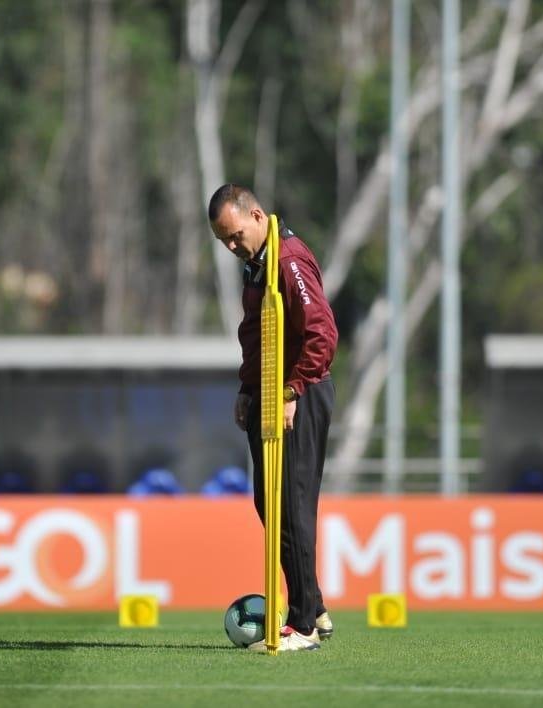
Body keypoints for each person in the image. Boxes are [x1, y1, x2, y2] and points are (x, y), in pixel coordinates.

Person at [208, 183, 339, 652]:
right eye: (223, 240)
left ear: (257, 216)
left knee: (292, 506)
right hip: (269, 391)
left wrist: (291, 390)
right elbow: (254, 332)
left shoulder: (288, 260)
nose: (231, 246)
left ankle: (302, 625)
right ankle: (314, 607)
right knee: (270, 504)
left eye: (235, 235)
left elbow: (322, 335)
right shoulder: (257, 263)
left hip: (299, 393)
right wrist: (248, 387)